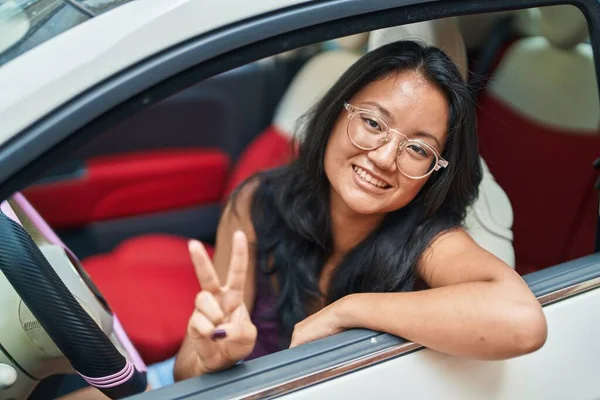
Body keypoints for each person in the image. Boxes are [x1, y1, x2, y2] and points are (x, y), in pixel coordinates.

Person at [161, 39, 547, 385]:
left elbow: (522, 321)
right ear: (337, 113)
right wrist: (211, 360)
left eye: (417, 149)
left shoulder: (427, 242)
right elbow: (185, 372)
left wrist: (348, 310)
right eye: (372, 122)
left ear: (433, 172)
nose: (382, 158)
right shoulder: (258, 202)